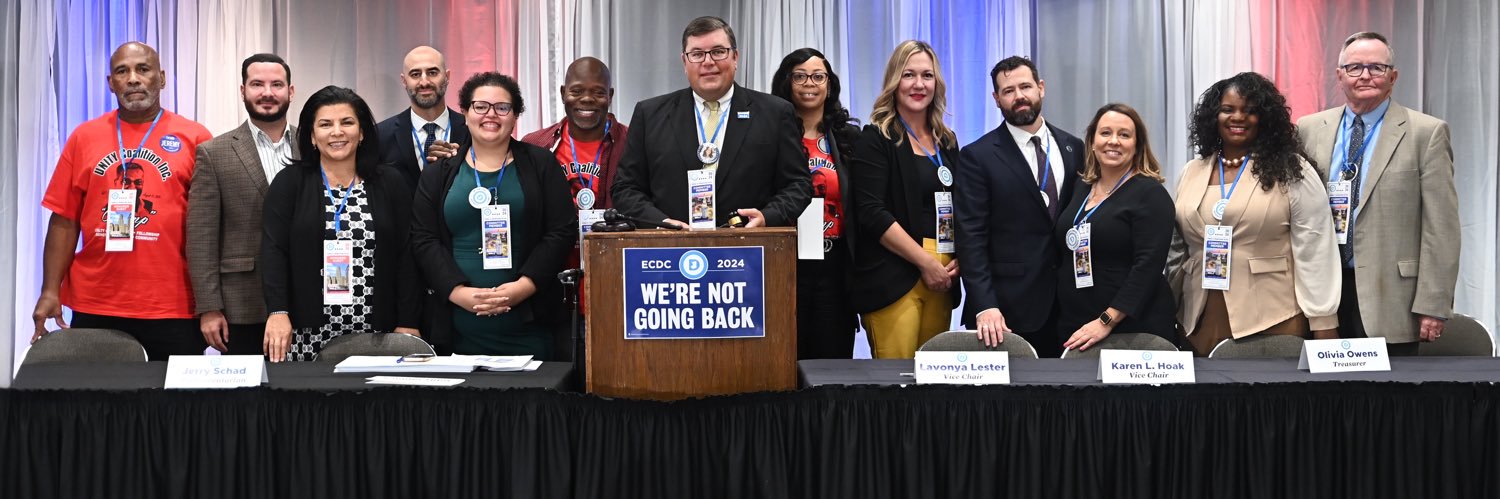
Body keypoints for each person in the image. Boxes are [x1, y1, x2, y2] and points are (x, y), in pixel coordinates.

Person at [32, 42, 214, 360]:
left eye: (143, 69)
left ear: (162, 77)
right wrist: (50, 290)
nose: (133, 78)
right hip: (96, 302)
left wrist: (214, 303)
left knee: (172, 408)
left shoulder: (195, 137)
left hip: (174, 306)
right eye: (122, 71)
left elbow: (212, 229)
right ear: (111, 82)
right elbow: (64, 220)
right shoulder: (84, 137)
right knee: (99, 405)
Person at [1296, 32, 1459, 356]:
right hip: (1322, 293)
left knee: (1387, 403)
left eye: (1377, 67)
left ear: (1393, 76)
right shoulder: (1309, 128)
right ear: (1339, 75)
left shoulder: (1426, 133)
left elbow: (1442, 228)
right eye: (1355, 67)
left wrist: (1433, 303)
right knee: (1323, 400)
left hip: (1394, 297)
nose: (1366, 75)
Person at [1168, 72, 1341, 357]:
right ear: (1214, 116)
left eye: (1250, 111)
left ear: (1266, 118)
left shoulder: (1292, 170)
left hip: (1272, 318)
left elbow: (1315, 250)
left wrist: (1324, 323)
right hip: (1197, 315)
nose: (1238, 117)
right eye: (1228, 109)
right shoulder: (1192, 171)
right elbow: (1180, 249)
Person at [409, 72, 577, 358]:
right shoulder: (439, 172)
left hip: (530, 321)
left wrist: (524, 287)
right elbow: (424, 239)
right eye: (480, 106)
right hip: (457, 324)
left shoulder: (541, 164)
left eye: (502, 107)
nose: (491, 115)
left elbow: (561, 231)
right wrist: (458, 293)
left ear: (515, 116)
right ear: (464, 112)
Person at [260, 86, 420, 362]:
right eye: (325, 124)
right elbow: (273, 251)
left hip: (378, 332)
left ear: (362, 133)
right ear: (311, 136)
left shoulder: (390, 182)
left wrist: (408, 320)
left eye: (347, 122)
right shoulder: (289, 183)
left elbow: (407, 256)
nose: (337, 132)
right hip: (306, 332)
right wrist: (277, 311)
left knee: (374, 405)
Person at [611, 16, 809, 229]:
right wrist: (661, 222)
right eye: (697, 54)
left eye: (718, 51)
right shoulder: (649, 115)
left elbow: (798, 185)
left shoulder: (775, 113)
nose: (708, 62)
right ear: (684, 62)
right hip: (670, 250)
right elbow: (625, 188)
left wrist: (767, 216)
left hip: (749, 250)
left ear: (735, 57)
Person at [956, 56, 1085, 358]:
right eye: (1008, 91)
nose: (1019, 97)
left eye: (1025, 86)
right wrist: (985, 305)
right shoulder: (978, 156)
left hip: (1071, 305)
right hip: (1007, 311)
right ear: (996, 99)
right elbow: (970, 237)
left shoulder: (1073, 147)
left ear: (1041, 88)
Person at [848, 40, 961, 359]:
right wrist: (925, 262)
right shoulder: (876, 139)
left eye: (927, 75)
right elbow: (871, 213)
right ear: (894, 81)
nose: (918, 84)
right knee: (895, 384)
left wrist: (960, 258)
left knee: (934, 383)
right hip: (894, 276)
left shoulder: (947, 141)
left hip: (943, 275)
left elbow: (963, 205)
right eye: (909, 74)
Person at [187, 53, 298, 356]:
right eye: (257, 84)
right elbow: (201, 237)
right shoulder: (214, 153)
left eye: (277, 84)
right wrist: (209, 308)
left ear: (290, 92)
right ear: (243, 91)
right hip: (242, 303)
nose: (267, 93)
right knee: (249, 397)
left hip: (305, 298)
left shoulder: (313, 146)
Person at [1054, 104, 1177, 353]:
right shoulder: (1081, 187)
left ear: (1137, 144)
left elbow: (1148, 268)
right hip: (1079, 322)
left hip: (1131, 327)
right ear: (1092, 141)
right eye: (1106, 133)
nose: (1114, 141)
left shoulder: (1151, 194)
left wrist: (1106, 320)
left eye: (1124, 135)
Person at [770, 47, 861, 359]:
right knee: (785, 360)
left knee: (831, 362)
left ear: (829, 84)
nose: (809, 83)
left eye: (818, 76)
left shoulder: (850, 138)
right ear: (786, 83)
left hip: (835, 265)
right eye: (800, 76)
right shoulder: (768, 135)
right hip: (786, 264)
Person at [521, 57, 630, 211]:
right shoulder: (535, 144)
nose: (586, 99)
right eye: (576, 91)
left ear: (610, 96)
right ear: (563, 93)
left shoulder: (631, 142)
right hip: (555, 235)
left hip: (614, 235)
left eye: (598, 93)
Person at [376, 46, 472, 189]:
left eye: (432, 72)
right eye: (415, 74)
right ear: (404, 81)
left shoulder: (471, 129)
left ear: (447, 77)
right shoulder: (380, 135)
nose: (424, 82)